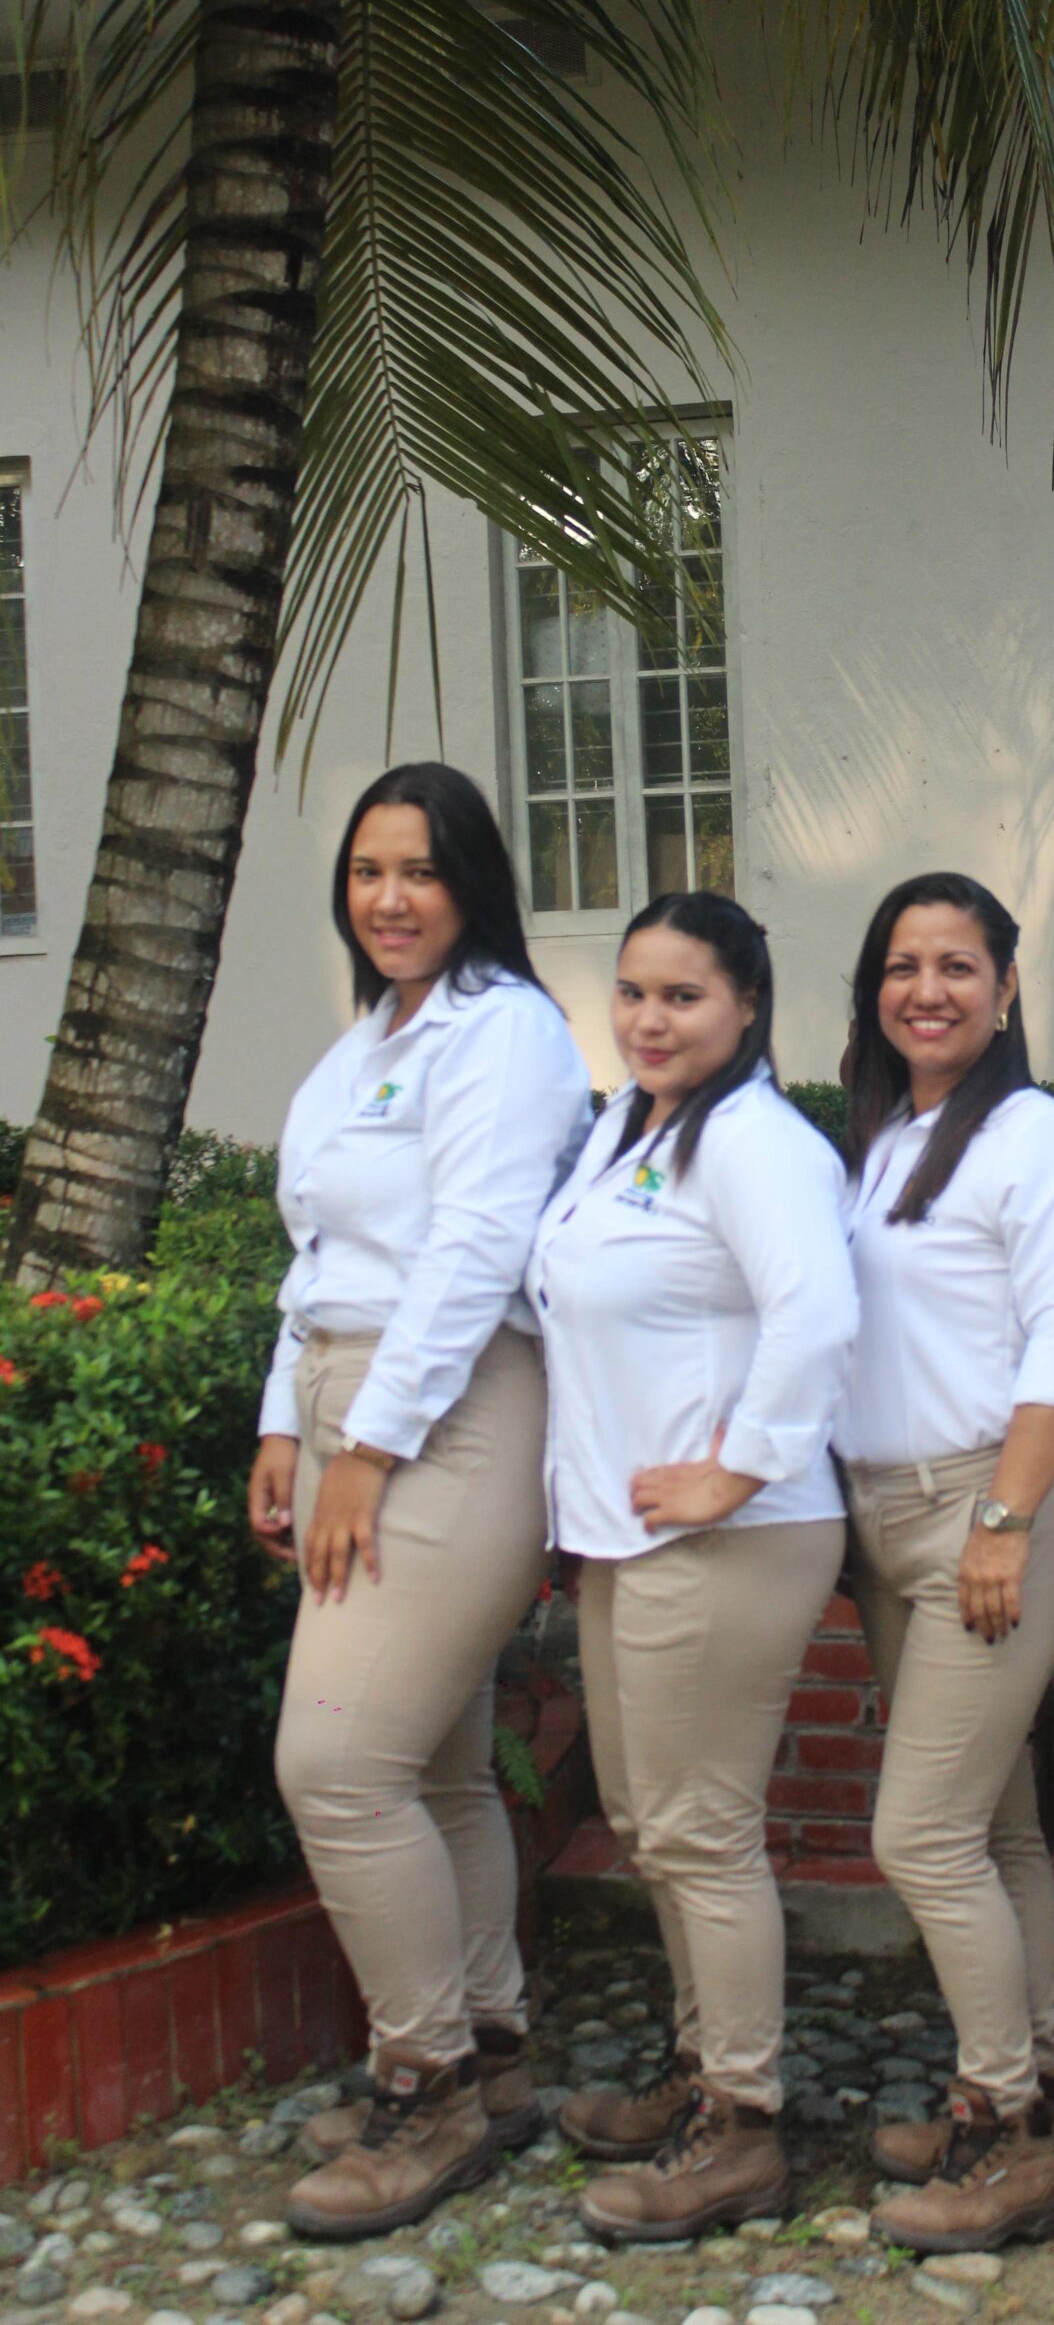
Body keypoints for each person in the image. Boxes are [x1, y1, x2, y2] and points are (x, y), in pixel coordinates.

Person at [247, 762, 592, 2242]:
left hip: (452, 1416)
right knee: (439, 1769)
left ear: (473, 886)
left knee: (335, 1764)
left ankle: (427, 2082)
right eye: (368, 871)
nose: (390, 899)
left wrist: (369, 1449)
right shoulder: (366, 1043)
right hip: (352, 1403)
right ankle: (494, 2053)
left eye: (421, 871)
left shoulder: (504, 1033)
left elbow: (469, 1254)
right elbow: (318, 1258)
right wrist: (288, 1425)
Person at [529, 891, 857, 2243]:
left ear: (747, 1007)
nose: (650, 1020)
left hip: (731, 1537)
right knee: (649, 1821)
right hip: (628, 1534)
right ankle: (700, 2065)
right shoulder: (630, 1126)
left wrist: (739, 1466)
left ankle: (744, 2126)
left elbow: (817, 1312)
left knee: (700, 1830)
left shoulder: (756, 1143)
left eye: (684, 996)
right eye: (633, 993)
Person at [834, 872, 1054, 2256]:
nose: (927, 990)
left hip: (990, 1513)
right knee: (994, 1833)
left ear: (1005, 991)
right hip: (888, 1516)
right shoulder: (885, 1137)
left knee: (922, 1835)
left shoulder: (1034, 1137)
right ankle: (1042, 2085)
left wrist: (1003, 1520)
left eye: (957, 966)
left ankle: (1000, 2132)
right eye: (903, 965)